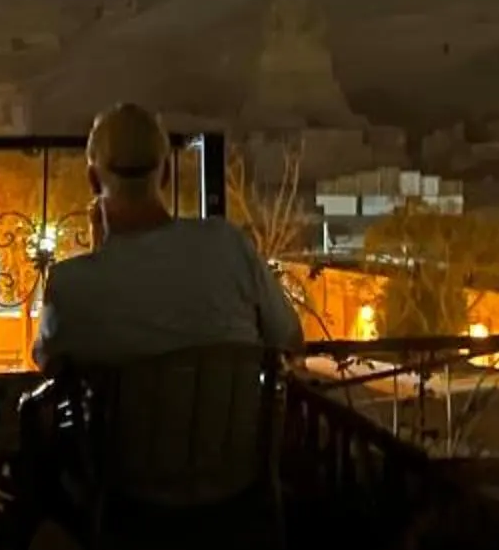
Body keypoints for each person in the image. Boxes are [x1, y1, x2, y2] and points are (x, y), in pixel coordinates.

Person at [34, 103, 302, 369]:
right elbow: (289, 338)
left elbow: (49, 362)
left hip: (126, 414)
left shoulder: (70, 285)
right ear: (166, 175)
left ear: (93, 180)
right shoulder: (227, 244)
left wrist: (99, 257)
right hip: (231, 412)